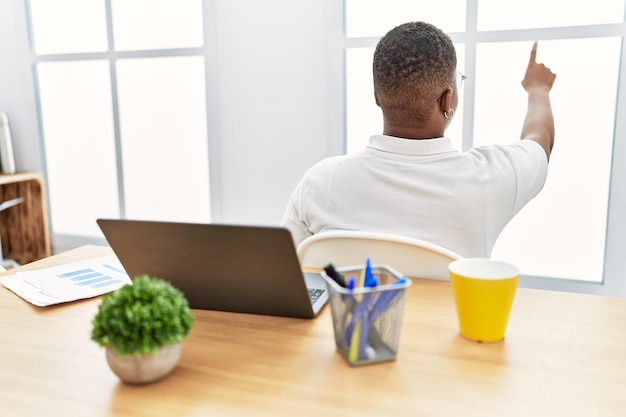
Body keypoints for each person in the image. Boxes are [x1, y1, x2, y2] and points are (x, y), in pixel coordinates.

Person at [281, 21, 556, 258]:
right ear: (448, 100)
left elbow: (287, 272)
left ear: (376, 96)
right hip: (450, 322)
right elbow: (539, 141)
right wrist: (538, 89)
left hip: (355, 321)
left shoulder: (319, 182)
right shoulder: (492, 176)